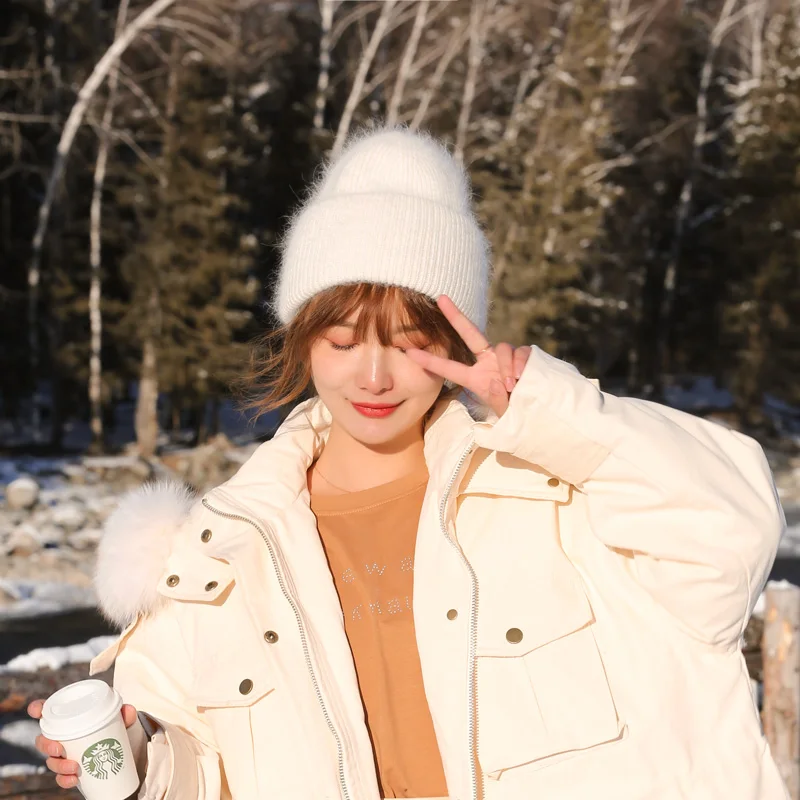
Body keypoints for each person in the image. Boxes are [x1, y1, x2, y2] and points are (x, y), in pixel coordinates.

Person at [30, 127, 787, 800]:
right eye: (341, 341)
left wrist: (558, 413)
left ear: (453, 342)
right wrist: (143, 759)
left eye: (408, 343)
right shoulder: (215, 558)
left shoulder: (558, 492)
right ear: (301, 339)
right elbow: (200, 766)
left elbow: (731, 536)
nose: (374, 377)